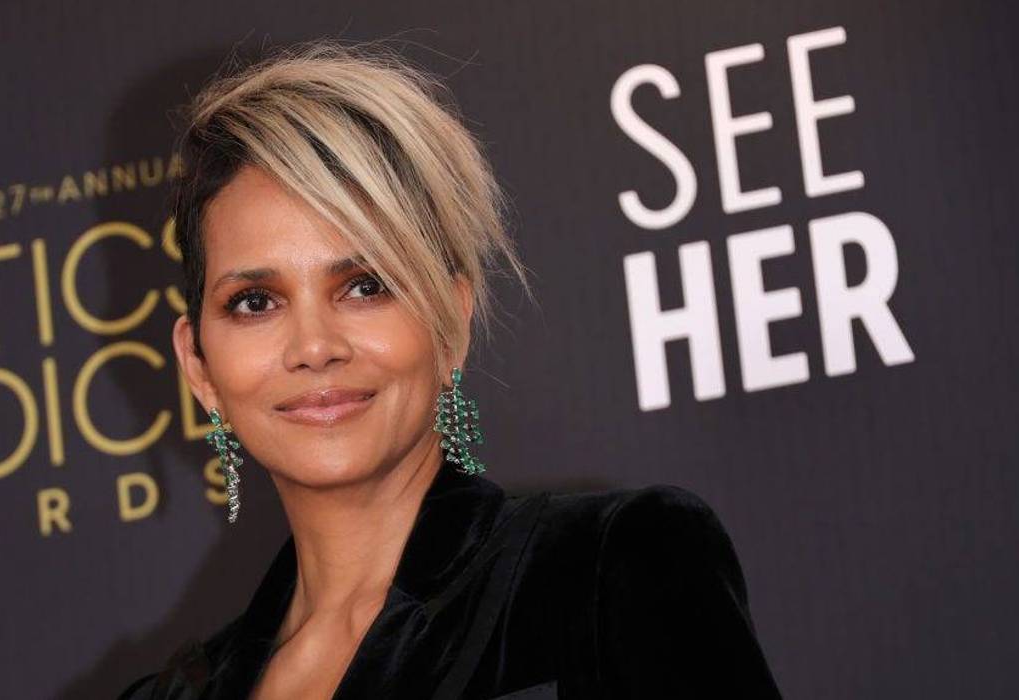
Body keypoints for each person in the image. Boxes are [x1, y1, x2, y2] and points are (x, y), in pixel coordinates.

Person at [119, 39, 782, 699]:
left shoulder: (606, 568)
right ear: (198, 365)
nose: (314, 347)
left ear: (451, 323)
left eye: (366, 286)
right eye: (255, 302)